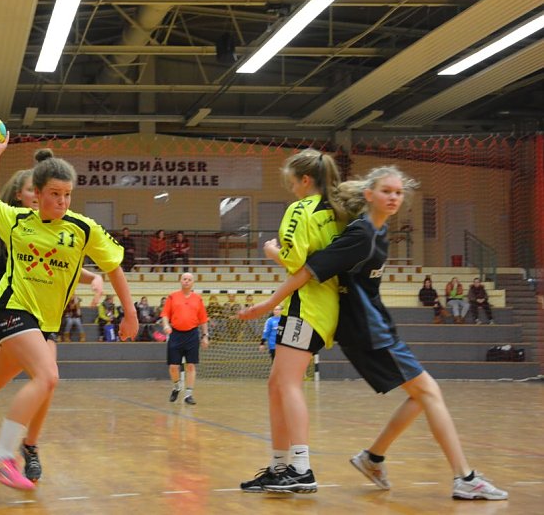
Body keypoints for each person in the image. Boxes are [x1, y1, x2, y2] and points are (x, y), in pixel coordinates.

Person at [239, 166, 507, 500]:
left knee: (422, 396)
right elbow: (309, 270)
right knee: (428, 392)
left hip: (375, 324)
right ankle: (463, 477)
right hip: (366, 330)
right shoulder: (361, 233)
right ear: (369, 194)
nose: (394, 197)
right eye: (386, 191)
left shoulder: (378, 232)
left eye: (398, 192)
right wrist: (268, 299)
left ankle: (373, 457)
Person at [0, 134, 137, 490]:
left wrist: (129, 315)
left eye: (67, 194)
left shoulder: (83, 229)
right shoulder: (18, 220)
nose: (62, 201)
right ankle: (1, 457)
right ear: (36, 193)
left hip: (42, 321)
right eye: (54, 194)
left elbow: (114, 266)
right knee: (48, 375)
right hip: (10, 308)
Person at [239, 148, 344, 494]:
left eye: (292, 182)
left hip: (306, 305)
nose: (291, 189)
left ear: (305, 180)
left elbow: (295, 261)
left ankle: (301, 467)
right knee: (276, 384)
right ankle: (280, 466)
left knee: (287, 384)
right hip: (327, 308)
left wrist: (272, 251)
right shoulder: (336, 211)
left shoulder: (301, 210)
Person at [161, 272, 209, 405]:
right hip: (176, 334)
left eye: (189, 279)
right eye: (184, 279)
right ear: (180, 281)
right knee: (173, 366)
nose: (186, 281)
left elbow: (203, 320)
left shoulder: (198, 299)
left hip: (192, 335)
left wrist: (205, 336)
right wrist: (166, 325)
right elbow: (165, 314)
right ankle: (176, 387)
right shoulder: (172, 297)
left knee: (191, 366)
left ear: (193, 283)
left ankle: (188, 394)